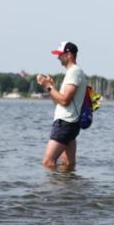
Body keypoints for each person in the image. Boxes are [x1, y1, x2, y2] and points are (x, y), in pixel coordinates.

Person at [38, 41, 87, 170]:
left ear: (69, 55)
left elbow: (65, 101)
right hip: (70, 122)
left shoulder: (74, 72)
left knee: (48, 162)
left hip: (65, 122)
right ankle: (67, 190)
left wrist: (47, 86)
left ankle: (53, 190)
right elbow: (59, 102)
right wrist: (51, 87)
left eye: (60, 54)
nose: (58, 57)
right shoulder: (73, 72)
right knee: (67, 165)